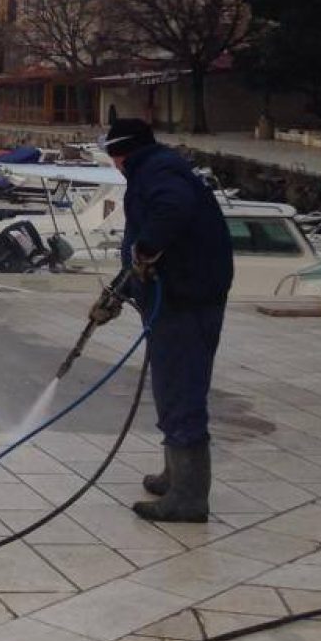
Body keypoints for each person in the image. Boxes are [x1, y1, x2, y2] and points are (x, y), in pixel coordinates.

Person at [100, 117, 233, 523]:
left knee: (181, 390)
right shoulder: (158, 167)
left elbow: (171, 211)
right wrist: (120, 290)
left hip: (185, 301)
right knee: (170, 386)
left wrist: (146, 248)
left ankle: (189, 497)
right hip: (179, 297)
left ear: (120, 153)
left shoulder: (158, 172)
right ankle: (175, 475)